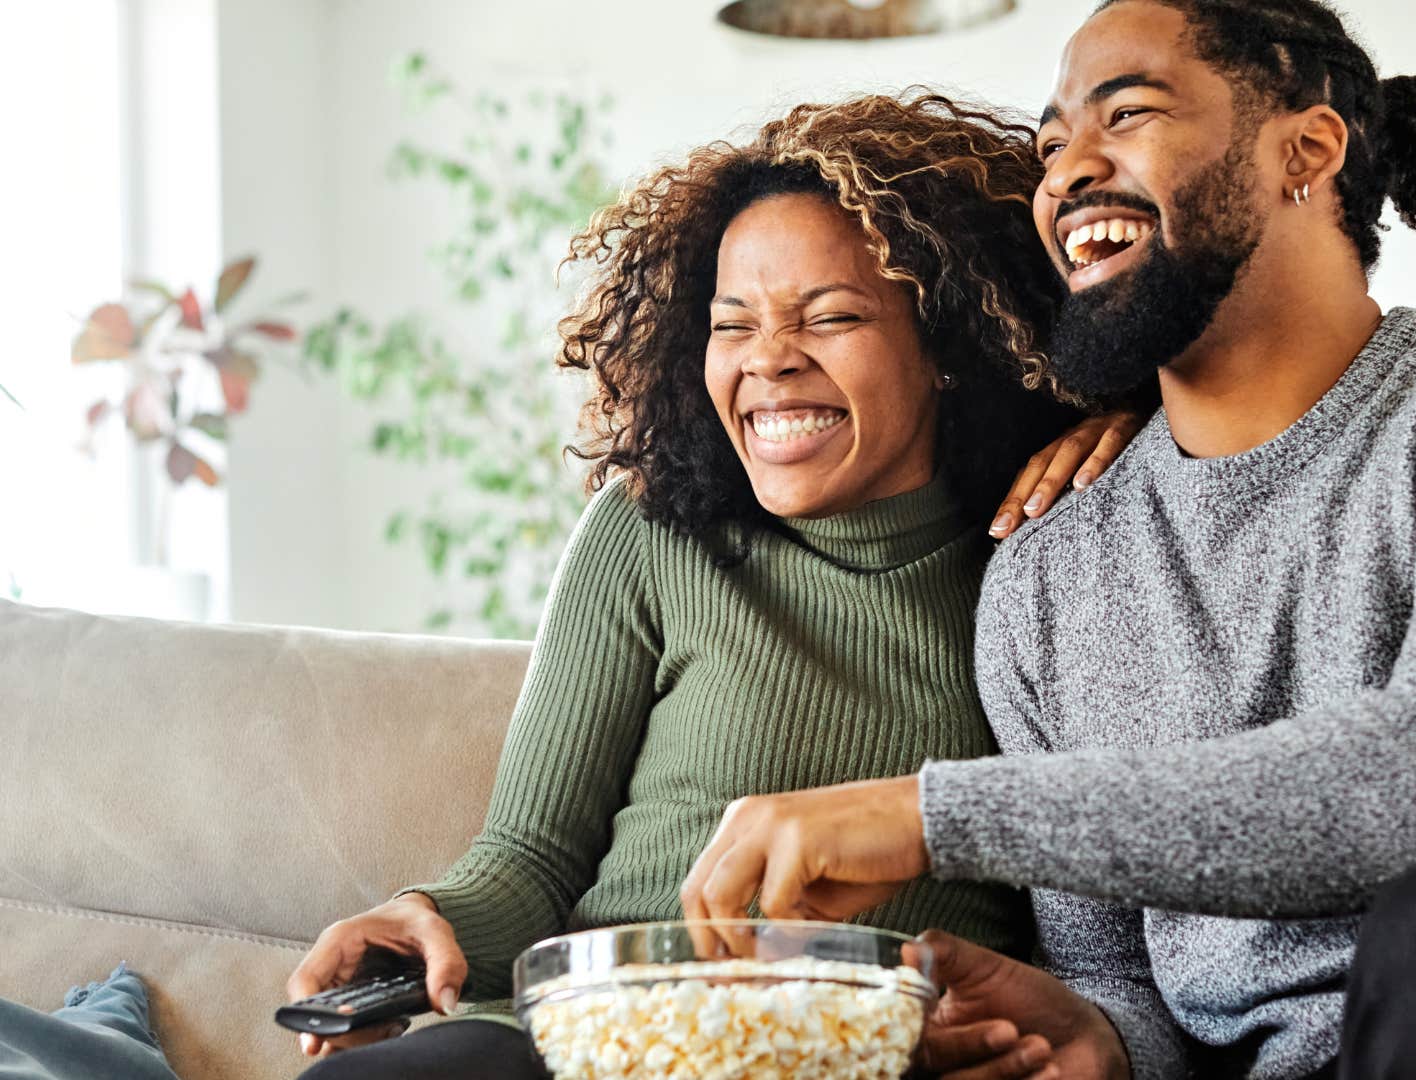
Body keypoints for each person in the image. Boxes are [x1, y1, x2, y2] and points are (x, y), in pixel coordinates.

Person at [677, 3, 1416, 1078]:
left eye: (1128, 113)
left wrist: (929, 816)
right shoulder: (1047, 574)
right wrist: (1097, 1037)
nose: (1066, 173)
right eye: (1052, 146)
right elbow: (1136, 989)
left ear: (1305, 150)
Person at [284, 92, 1142, 1079]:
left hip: (847, 1052)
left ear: (949, 349)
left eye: (831, 316)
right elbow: (532, 857)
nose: (770, 360)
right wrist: (420, 918)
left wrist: (1136, 435)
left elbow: (1096, 920)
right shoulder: (651, 531)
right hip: (580, 1044)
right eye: (734, 325)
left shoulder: (1047, 563)